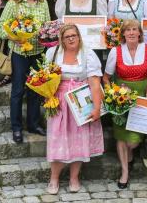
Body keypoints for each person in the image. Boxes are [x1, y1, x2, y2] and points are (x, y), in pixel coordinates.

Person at [44, 24, 104, 195]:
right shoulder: (53, 53)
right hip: (59, 101)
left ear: (79, 36)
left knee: (79, 139)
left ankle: (74, 178)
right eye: (67, 36)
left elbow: (94, 83)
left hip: (81, 101)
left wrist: (97, 107)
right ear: (61, 39)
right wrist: (48, 96)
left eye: (74, 35)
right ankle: (54, 178)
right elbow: (46, 78)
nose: (71, 39)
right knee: (57, 139)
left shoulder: (88, 54)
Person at [0, 0, 51, 143]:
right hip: (19, 53)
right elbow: (0, 27)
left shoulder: (43, 2)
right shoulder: (14, 3)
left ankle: (33, 124)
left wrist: (46, 35)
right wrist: (14, 37)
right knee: (18, 90)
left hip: (37, 52)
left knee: (35, 90)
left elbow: (48, 26)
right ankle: (17, 127)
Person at [103, 19, 147, 188]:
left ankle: (131, 155)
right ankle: (125, 172)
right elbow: (106, 78)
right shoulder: (115, 52)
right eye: (128, 30)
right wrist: (114, 93)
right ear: (123, 34)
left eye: (135, 29)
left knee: (132, 141)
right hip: (121, 98)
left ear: (140, 33)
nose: (132, 32)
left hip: (141, 97)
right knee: (121, 137)